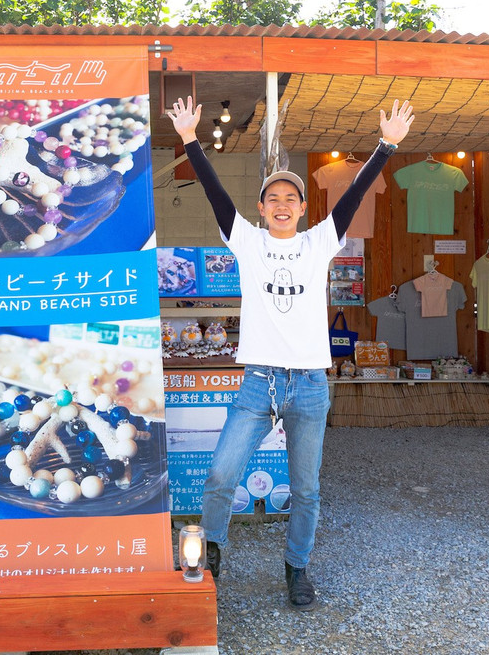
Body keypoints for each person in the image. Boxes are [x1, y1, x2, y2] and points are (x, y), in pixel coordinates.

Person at [167, 97, 414, 610]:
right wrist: (190, 139)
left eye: (291, 198)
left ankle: (296, 569)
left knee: (306, 489)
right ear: (261, 207)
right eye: (272, 198)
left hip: (309, 385)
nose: (281, 204)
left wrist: (386, 146)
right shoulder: (248, 242)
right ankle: (210, 555)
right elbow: (214, 195)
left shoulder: (320, 241)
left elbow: (354, 195)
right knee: (219, 475)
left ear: (303, 208)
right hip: (259, 382)